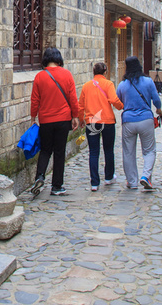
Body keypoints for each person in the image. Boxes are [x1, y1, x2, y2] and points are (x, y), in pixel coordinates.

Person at [30, 47, 80, 197]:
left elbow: (35, 100)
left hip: (46, 119)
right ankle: (57, 186)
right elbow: (73, 98)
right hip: (63, 119)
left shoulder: (40, 76)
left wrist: (33, 118)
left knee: (45, 150)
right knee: (59, 152)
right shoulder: (67, 74)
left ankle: (39, 176)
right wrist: (75, 116)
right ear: (58, 59)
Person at [117, 56, 162, 190]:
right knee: (149, 150)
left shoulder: (122, 84)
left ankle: (131, 181)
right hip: (145, 119)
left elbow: (119, 100)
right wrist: (159, 110)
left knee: (128, 152)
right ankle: (145, 176)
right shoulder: (148, 82)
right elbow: (156, 99)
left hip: (128, 121)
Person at [78, 61, 123, 191]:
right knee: (108, 150)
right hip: (107, 121)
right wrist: (121, 106)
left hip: (92, 121)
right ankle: (108, 177)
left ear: (94, 72)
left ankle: (94, 182)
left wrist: (81, 120)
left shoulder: (86, 86)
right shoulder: (108, 84)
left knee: (94, 152)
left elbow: (81, 105)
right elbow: (114, 100)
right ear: (105, 72)